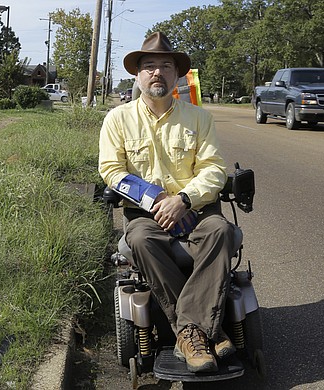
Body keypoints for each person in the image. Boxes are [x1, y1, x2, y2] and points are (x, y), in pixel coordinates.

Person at [98, 32, 237, 373]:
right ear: (138, 75)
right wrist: (158, 198)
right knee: (141, 238)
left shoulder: (199, 118)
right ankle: (205, 331)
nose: (157, 72)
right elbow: (111, 170)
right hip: (147, 215)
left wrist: (184, 200)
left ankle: (189, 333)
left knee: (220, 230)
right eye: (149, 66)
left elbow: (213, 169)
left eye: (165, 66)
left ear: (177, 75)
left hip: (197, 212)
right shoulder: (118, 119)